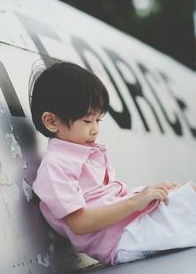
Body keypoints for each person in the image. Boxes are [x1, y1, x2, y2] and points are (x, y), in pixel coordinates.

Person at [30, 62, 196, 265]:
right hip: (123, 239)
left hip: (133, 225)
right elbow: (79, 224)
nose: (95, 129)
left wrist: (149, 194)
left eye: (98, 121)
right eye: (87, 120)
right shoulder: (55, 167)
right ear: (52, 122)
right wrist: (136, 202)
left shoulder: (85, 154)